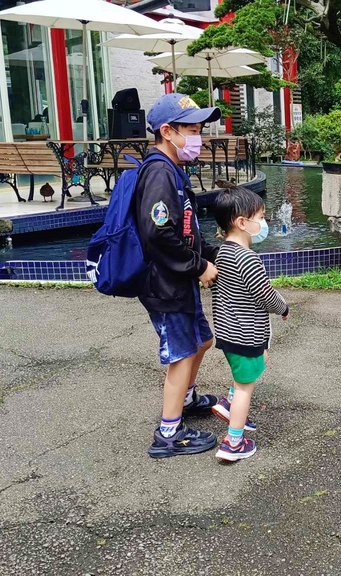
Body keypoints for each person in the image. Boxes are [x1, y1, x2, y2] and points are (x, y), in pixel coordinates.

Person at [136, 94, 223, 458]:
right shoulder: (159, 172)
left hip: (177, 280)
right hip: (166, 283)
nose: (198, 137)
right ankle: (168, 435)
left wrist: (215, 255)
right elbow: (158, 234)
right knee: (181, 354)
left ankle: (185, 399)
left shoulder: (171, 170)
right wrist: (199, 266)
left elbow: (183, 231)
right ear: (167, 132)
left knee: (201, 342)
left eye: (199, 129)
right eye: (191, 129)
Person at [209, 186, 289, 462]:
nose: (264, 223)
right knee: (246, 387)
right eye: (261, 217)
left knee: (249, 370)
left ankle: (230, 403)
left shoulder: (222, 253)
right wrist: (283, 308)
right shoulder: (249, 259)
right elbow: (265, 294)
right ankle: (234, 442)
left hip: (228, 332)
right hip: (246, 334)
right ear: (242, 222)